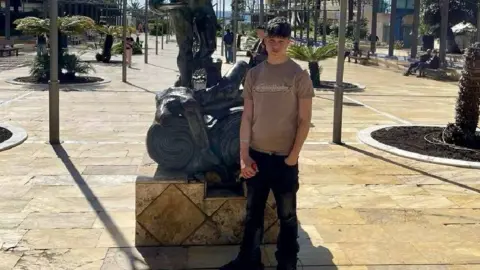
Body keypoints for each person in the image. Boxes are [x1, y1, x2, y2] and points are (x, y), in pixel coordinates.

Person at [220, 16, 314, 270]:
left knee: (288, 215)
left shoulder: (299, 75)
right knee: (253, 214)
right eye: (271, 40)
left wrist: (293, 157)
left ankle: (287, 262)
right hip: (256, 157)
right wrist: (243, 156)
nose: (275, 45)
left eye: (280, 41)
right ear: (265, 41)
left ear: (288, 42)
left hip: (285, 158)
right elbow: (247, 117)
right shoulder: (253, 75)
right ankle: (249, 260)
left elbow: (304, 121)